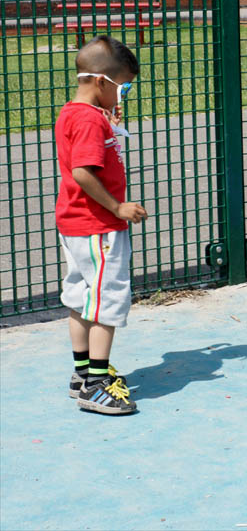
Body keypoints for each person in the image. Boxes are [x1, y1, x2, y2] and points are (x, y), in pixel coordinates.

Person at [55, 35, 146, 415]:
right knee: (106, 301)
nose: (124, 94)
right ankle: (95, 384)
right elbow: (82, 172)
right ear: (101, 81)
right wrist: (118, 207)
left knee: (80, 298)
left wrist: (108, 122)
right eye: (123, 86)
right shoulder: (91, 121)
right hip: (98, 226)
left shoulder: (74, 113)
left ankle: (81, 373)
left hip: (75, 224)